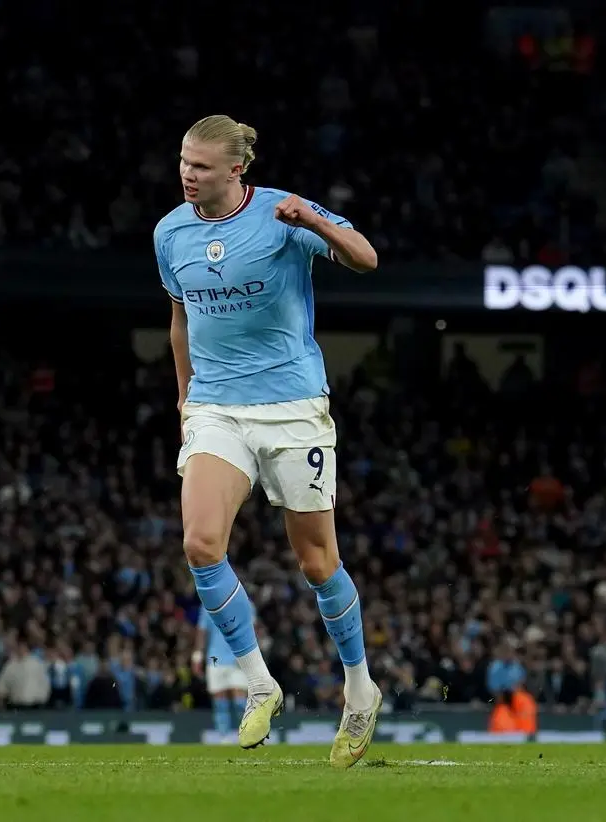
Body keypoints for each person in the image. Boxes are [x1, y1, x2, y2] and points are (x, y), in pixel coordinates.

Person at [156, 115, 381, 768]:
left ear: (236, 171)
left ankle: (361, 688)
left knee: (317, 563)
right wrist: (183, 397)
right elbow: (179, 319)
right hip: (217, 408)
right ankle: (260, 681)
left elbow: (366, 259)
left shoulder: (284, 213)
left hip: (292, 408)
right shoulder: (171, 232)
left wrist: (313, 224)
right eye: (183, 161)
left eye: (199, 166)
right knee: (200, 542)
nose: (186, 174)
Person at [193, 601, 246, 739]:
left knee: (240, 702)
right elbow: (202, 631)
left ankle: (249, 735)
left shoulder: (244, 602)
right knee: (220, 704)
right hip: (215, 658)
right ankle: (224, 739)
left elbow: (253, 629)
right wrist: (197, 656)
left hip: (237, 658)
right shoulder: (208, 605)